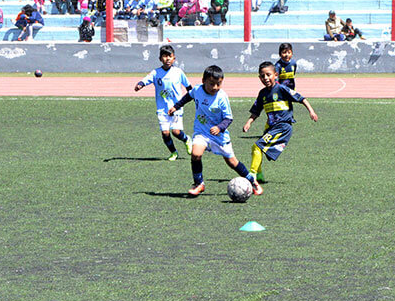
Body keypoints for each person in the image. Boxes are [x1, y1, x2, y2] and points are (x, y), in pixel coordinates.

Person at [167, 65, 261, 197]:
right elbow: (188, 96)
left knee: (232, 162)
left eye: (218, 84)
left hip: (219, 136)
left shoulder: (222, 97)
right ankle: (199, 183)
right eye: (212, 84)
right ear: (203, 81)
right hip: (201, 132)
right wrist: (176, 106)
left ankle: (252, 181)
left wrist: (219, 127)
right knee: (195, 154)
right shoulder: (197, 90)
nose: (215, 87)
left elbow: (228, 118)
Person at [243, 60, 318, 186]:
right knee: (256, 148)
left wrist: (311, 111)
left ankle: (252, 174)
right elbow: (256, 110)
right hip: (272, 127)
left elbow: (301, 98)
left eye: (268, 75)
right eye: (262, 76)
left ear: (275, 75)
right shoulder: (262, 94)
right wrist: (249, 122)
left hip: (283, 127)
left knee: (257, 146)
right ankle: (259, 176)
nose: (265, 78)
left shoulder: (282, 89)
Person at [133, 45, 194, 160]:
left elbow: (188, 86)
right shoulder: (156, 73)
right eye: (165, 56)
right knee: (165, 133)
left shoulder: (178, 72)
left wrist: (194, 97)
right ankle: (174, 152)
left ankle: (187, 139)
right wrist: (140, 84)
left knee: (176, 132)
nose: (167, 59)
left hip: (176, 107)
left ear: (174, 58)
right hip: (162, 108)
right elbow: (146, 79)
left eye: (170, 56)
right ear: (160, 59)